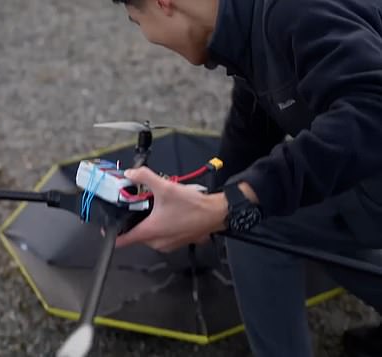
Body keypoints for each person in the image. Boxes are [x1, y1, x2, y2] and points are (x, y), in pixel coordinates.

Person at [109, 0, 382, 356]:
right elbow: (256, 117)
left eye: (136, 21)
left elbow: (373, 109)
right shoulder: (252, 20)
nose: (146, 35)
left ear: (164, 3)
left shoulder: (294, 11)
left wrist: (235, 202)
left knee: (253, 226)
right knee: (277, 208)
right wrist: (212, 200)